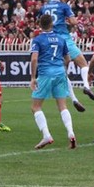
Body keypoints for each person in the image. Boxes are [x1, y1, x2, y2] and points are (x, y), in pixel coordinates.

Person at [40, 0, 94, 112]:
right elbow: (73, 21)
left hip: (50, 39)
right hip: (63, 37)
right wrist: (77, 24)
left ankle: (74, 99)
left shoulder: (44, 7)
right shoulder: (63, 6)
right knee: (83, 64)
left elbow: (42, 22)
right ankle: (86, 86)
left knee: (63, 72)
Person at [29, 14, 76, 150]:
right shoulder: (61, 39)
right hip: (60, 72)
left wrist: (33, 77)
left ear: (40, 25)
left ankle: (46, 135)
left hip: (45, 74)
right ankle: (71, 132)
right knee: (62, 106)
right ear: (52, 24)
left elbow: (34, 59)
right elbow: (68, 59)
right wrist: (62, 68)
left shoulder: (38, 40)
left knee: (36, 107)